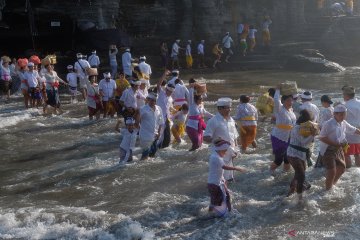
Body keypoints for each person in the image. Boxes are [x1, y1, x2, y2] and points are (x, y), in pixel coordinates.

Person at [319, 104, 360, 190]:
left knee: (342, 169)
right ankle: (327, 190)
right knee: (331, 171)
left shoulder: (343, 123)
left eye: (344, 114)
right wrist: (335, 144)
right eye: (340, 114)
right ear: (335, 114)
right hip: (328, 150)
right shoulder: (328, 124)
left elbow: (354, 130)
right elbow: (322, 137)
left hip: (339, 148)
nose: (343, 116)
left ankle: (332, 185)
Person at [204, 98, 239, 182]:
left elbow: (234, 136)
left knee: (230, 177)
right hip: (219, 154)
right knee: (219, 179)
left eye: (229, 107)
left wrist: (236, 149)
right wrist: (214, 140)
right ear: (219, 108)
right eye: (226, 108)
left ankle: (228, 192)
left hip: (231, 152)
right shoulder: (213, 121)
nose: (229, 110)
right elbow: (205, 137)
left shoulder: (231, 120)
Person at [207, 139, 246, 217]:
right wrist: (236, 168)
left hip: (215, 182)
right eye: (224, 151)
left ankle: (228, 212)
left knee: (224, 196)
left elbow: (217, 171)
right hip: (215, 184)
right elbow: (224, 167)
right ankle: (213, 214)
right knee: (216, 201)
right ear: (220, 150)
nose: (225, 153)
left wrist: (223, 180)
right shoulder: (217, 158)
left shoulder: (214, 155)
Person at [287, 110, 319, 201]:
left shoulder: (304, 128)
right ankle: (299, 198)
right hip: (293, 154)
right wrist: (313, 134)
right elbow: (303, 142)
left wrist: (313, 134)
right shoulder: (297, 128)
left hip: (300, 153)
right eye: (311, 121)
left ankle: (291, 190)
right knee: (301, 175)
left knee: (299, 173)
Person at [269, 88, 296, 175]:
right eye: (288, 101)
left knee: (287, 159)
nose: (291, 102)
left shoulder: (291, 110)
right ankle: (270, 174)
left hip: (289, 137)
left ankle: (285, 174)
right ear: (283, 101)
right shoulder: (280, 109)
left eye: (291, 101)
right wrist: (278, 89)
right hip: (279, 137)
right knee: (278, 160)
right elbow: (276, 99)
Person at [186, 79, 213, 151]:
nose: (201, 100)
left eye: (201, 99)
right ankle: (189, 156)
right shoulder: (192, 104)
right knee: (196, 144)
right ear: (195, 100)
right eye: (200, 99)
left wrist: (215, 116)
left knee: (200, 143)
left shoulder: (200, 106)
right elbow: (191, 94)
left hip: (199, 125)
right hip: (191, 126)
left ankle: (196, 158)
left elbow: (206, 113)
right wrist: (193, 86)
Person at [139, 92, 164, 160]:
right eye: (152, 100)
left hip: (155, 135)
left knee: (153, 153)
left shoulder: (159, 109)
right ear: (148, 100)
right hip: (145, 135)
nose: (153, 102)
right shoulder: (142, 109)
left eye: (155, 100)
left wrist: (159, 132)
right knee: (145, 154)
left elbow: (160, 122)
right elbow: (137, 121)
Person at [342, 86, 360, 167]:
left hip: (349, 133)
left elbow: (342, 119)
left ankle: (348, 170)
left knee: (346, 154)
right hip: (359, 132)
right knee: (357, 153)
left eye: (343, 94)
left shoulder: (345, 105)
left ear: (346, 95)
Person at [156, 71, 175, 148]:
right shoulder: (161, 93)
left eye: (171, 92)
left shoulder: (170, 98)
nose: (169, 92)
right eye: (169, 91)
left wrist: (174, 112)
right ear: (166, 89)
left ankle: (164, 148)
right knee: (159, 135)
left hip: (166, 118)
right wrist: (164, 74)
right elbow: (158, 84)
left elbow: (169, 108)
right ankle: (155, 147)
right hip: (159, 117)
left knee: (167, 136)